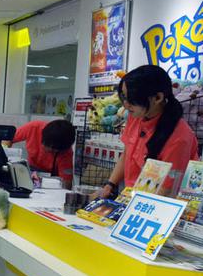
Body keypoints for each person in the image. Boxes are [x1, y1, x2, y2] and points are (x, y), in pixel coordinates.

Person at [98, 65, 198, 198]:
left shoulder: (179, 137)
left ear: (157, 98)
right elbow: (128, 152)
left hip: (158, 204)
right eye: (124, 97)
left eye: (132, 99)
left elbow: (167, 189)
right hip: (131, 196)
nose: (126, 105)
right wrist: (109, 184)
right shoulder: (136, 116)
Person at [12, 119, 75, 187]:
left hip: (50, 179)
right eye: (44, 142)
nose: (45, 148)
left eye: (52, 150)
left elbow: (66, 184)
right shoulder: (34, 127)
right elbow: (7, 139)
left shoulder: (66, 153)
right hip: (30, 170)